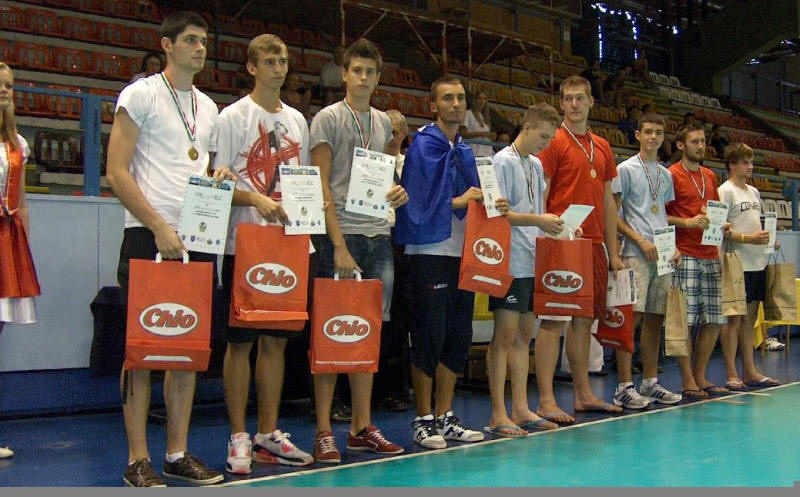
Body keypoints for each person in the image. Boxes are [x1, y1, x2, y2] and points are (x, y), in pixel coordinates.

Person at [106, 11, 232, 487]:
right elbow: (116, 171)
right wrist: (158, 226)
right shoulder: (140, 95)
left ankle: (176, 453)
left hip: (196, 237)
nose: (201, 48)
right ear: (167, 45)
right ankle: (137, 458)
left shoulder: (209, 107)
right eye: (191, 40)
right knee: (141, 351)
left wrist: (219, 176)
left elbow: (201, 168)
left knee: (187, 349)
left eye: (204, 41)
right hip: (149, 235)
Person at [214, 34, 315, 475]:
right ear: (252, 68)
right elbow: (217, 182)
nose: (278, 68)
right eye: (270, 61)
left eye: (283, 61)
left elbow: (302, 180)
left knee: (276, 342)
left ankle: (267, 434)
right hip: (245, 243)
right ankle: (238, 434)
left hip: (289, 244)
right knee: (241, 343)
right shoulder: (232, 116)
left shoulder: (297, 121)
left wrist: (307, 217)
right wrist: (255, 198)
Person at [309, 38, 408, 463]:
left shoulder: (383, 123)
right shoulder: (328, 119)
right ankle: (324, 430)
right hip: (342, 238)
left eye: (371, 72)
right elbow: (320, 184)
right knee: (332, 334)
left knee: (368, 335)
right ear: (344, 75)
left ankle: (361, 428)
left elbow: (380, 178)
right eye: (357, 71)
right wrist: (336, 245)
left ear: (378, 78)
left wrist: (396, 192)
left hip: (378, 236)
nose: (364, 78)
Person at [395, 74, 488, 450]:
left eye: (460, 98)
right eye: (448, 98)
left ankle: (446, 415)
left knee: (457, 336)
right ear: (433, 105)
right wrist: (459, 201)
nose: (456, 104)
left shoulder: (465, 150)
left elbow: (477, 194)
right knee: (429, 335)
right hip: (429, 253)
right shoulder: (423, 146)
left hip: (463, 253)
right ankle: (423, 419)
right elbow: (414, 201)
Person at [535, 75, 625, 425]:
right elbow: (542, 191)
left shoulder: (601, 146)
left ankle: (583, 393)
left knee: (584, 320)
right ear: (561, 103)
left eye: (579, 98)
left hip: (594, 243)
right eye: (568, 98)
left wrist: (612, 251)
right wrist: (544, 234)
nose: (574, 104)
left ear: (591, 102)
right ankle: (545, 400)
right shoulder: (554, 141)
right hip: (561, 240)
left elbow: (608, 200)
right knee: (554, 319)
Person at [485, 103, 563, 437]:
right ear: (527, 127)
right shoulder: (501, 162)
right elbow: (497, 214)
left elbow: (536, 212)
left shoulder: (536, 164)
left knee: (523, 337)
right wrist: (539, 220)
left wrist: (556, 227)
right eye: (543, 136)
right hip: (508, 260)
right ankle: (497, 413)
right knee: (503, 337)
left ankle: (520, 408)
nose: (546, 143)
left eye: (550, 138)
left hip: (532, 258)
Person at [612, 112, 683, 409]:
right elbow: (613, 215)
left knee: (656, 318)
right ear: (638, 135)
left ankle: (650, 382)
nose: (653, 137)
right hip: (634, 252)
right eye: (649, 132)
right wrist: (639, 240)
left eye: (659, 133)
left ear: (664, 138)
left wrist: (672, 246)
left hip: (662, 255)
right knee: (632, 318)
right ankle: (623, 386)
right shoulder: (625, 169)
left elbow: (660, 214)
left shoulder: (665, 175)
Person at [665, 123, 729, 399]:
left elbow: (713, 210)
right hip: (685, 254)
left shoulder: (710, 176)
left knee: (714, 319)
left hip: (710, 252)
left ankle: (700, 374)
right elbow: (661, 216)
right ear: (681, 145)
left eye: (702, 141)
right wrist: (687, 222)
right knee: (686, 320)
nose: (700, 146)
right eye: (694, 142)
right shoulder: (672, 175)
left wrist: (721, 224)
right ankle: (687, 378)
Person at [0, 62, 41, 460]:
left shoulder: (18, 144)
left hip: (6, 242)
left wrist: (22, 248)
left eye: (9, 85)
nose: (4, 91)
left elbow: (22, 202)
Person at [717, 142, 781, 390]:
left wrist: (768, 240)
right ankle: (731, 372)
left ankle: (749, 370)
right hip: (735, 262)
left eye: (751, 162)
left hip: (757, 262)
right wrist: (748, 239)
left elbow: (756, 225)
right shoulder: (725, 191)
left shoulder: (754, 192)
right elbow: (719, 230)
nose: (750, 166)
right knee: (733, 319)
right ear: (732, 164)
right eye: (745, 162)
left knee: (750, 318)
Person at [377, 108, 411, 412]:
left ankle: (397, 389)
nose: (390, 137)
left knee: (398, 319)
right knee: (376, 317)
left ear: (404, 134)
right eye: (386, 131)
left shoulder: (410, 166)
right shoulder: (368, 164)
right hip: (376, 240)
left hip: (403, 246)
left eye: (396, 132)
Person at [459, 90, 495, 158]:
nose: (482, 101)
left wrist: (490, 136)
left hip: (486, 153)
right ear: (474, 100)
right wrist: (482, 134)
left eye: (484, 99)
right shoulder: (468, 114)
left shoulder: (485, 117)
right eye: (479, 98)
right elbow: (462, 134)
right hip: (473, 152)